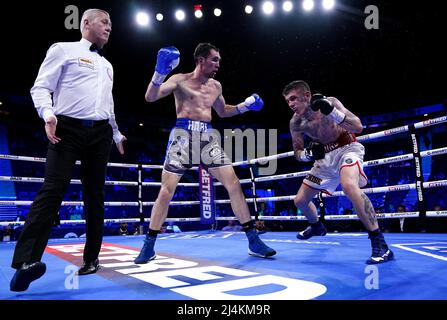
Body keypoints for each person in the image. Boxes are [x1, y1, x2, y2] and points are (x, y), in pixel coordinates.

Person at [9, 9, 126, 292]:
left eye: (111, 23)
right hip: (67, 128)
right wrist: (48, 114)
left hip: (100, 134)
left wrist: (116, 133)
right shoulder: (63, 49)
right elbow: (40, 87)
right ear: (86, 23)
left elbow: (107, 105)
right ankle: (25, 263)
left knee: (95, 195)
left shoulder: (108, 65)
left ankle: (92, 259)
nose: (110, 27)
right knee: (53, 189)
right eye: (105, 22)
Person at [134, 43, 276, 263]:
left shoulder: (216, 86)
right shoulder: (179, 79)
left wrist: (244, 106)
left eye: (218, 60)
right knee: (166, 191)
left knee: (234, 183)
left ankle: (253, 240)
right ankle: (149, 245)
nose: (218, 64)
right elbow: (150, 97)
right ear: (201, 60)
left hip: (208, 137)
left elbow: (222, 111)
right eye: (215, 59)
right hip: (183, 135)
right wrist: (159, 72)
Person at [283, 80, 393, 264]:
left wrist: (332, 112)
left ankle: (380, 243)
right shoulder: (296, 122)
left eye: (294, 98)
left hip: (347, 148)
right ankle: (316, 226)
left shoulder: (331, 102)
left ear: (307, 96)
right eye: (287, 101)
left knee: (350, 186)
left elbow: (358, 126)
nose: (291, 104)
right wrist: (308, 155)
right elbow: (297, 152)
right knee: (300, 200)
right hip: (324, 161)